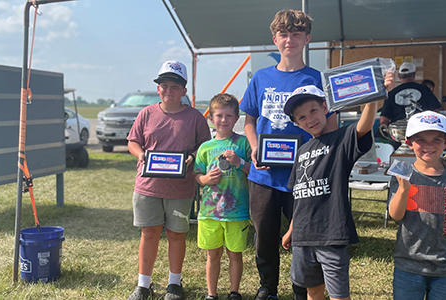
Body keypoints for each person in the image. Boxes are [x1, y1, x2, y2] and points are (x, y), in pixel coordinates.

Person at [239, 9, 337, 300]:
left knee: (303, 239)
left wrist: (321, 159)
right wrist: (255, 147)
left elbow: (330, 127)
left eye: (296, 34)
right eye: (284, 34)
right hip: (265, 175)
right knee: (265, 237)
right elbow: (249, 120)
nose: (289, 39)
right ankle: (267, 287)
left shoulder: (318, 79)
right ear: (275, 39)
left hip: (305, 176)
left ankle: (301, 289)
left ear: (307, 38)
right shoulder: (261, 78)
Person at [281, 80, 393, 300]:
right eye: (301, 117)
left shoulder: (342, 139)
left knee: (338, 295)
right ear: (296, 122)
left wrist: (371, 101)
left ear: (325, 108)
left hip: (331, 235)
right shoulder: (301, 150)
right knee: (313, 291)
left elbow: (363, 126)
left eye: (313, 111)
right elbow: (299, 196)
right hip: (303, 237)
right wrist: (292, 230)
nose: (309, 119)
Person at [126, 61, 211, 300]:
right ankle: (144, 284)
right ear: (158, 89)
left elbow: (204, 146)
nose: (168, 90)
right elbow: (133, 141)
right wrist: (141, 154)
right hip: (148, 186)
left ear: (184, 91)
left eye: (174, 86)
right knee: (149, 232)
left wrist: (193, 157)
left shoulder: (194, 117)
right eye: (164, 85)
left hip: (180, 187)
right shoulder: (146, 113)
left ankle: (174, 283)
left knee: (176, 234)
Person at [388, 111, 446, 300]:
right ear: (409, 143)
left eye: (436, 139)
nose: (428, 146)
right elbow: (395, 215)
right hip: (408, 266)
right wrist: (404, 189)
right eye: (420, 139)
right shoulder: (402, 175)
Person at [194, 94, 252, 300]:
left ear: (237, 118)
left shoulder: (243, 143)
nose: (224, 120)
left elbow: (254, 172)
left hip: (237, 212)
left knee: (235, 254)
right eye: (219, 115)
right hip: (209, 212)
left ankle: (234, 292)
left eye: (229, 115)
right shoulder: (205, 148)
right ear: (210, 118)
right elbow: (197, 175)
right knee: (212, 255)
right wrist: (205, 179)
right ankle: (212, 294)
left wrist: (239, 162)